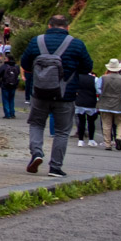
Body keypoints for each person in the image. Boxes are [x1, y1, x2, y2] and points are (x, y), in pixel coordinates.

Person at [21, 15, 94, 175]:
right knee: (62, 131)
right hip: (65, 95)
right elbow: (87, 67)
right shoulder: (76, 44)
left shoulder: (36, 41)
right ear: (68, 27)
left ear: (49, 26)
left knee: (36, 124)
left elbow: (25, 64)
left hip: (39, 92)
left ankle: (37, 153)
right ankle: (55, 167)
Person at [95, 60, 121, 151]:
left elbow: (98, 90)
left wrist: (104, 94)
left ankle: (108, 144)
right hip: (119, 104)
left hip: (105, 104)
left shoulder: (102, 78)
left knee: (106, 124)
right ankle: (118, 137)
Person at [73, 66, 102, 145]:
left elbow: (74, 88)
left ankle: (80, 140)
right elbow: (98, 91)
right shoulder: (95, 79)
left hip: (79, 102)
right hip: (91, 102)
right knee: (91, 122)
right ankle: (91, 139)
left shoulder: (77, 77)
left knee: (81, 121)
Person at [0, 52, 20, 119]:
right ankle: (12, 113)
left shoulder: (4, 66)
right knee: (11, 99)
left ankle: (7, 114)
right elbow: (17, 74)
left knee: (5, 99)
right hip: (13, 85)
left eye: (6, 58)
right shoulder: (16, 66)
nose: (5, 59)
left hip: (5, 85)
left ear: (8, 59)